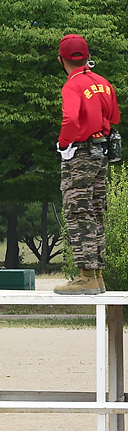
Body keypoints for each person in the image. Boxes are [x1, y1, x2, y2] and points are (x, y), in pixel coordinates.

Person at [55, 33, 120, 294]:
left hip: (80, 153)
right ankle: (97, 275)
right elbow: (113, 115)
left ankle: (85, 277)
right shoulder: (103, 83)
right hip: (101, 151)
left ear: (61, 59)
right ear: (87, 56)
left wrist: (63, 143)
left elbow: (70, 119)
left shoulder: (72, 86)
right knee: (96, 210)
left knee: (77, 211)